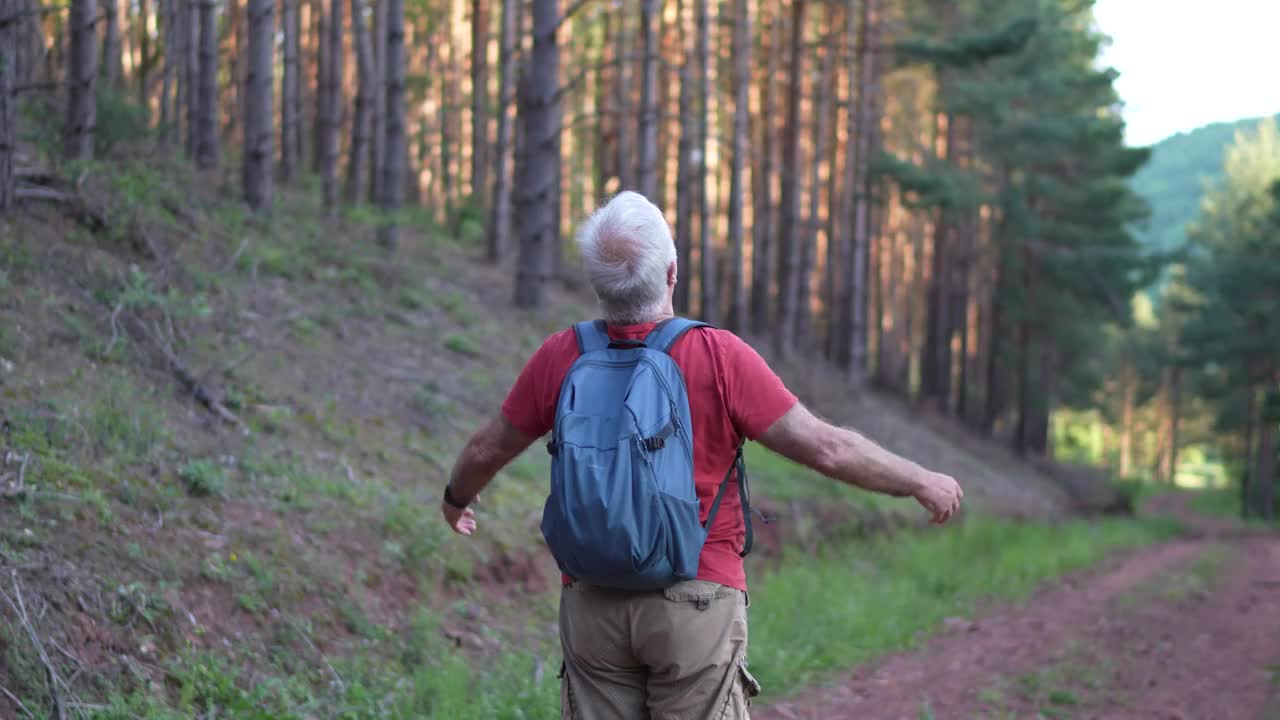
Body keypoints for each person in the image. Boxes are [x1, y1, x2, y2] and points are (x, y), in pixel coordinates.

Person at [440, 191, 963, 719]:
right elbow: (826, 449)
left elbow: (489, 445)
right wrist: (919, 479)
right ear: (671, 272)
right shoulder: (717, 355)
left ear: (598, 284)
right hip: (695, 600)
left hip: (591, 600)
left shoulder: (561, 357)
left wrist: (455, 499)